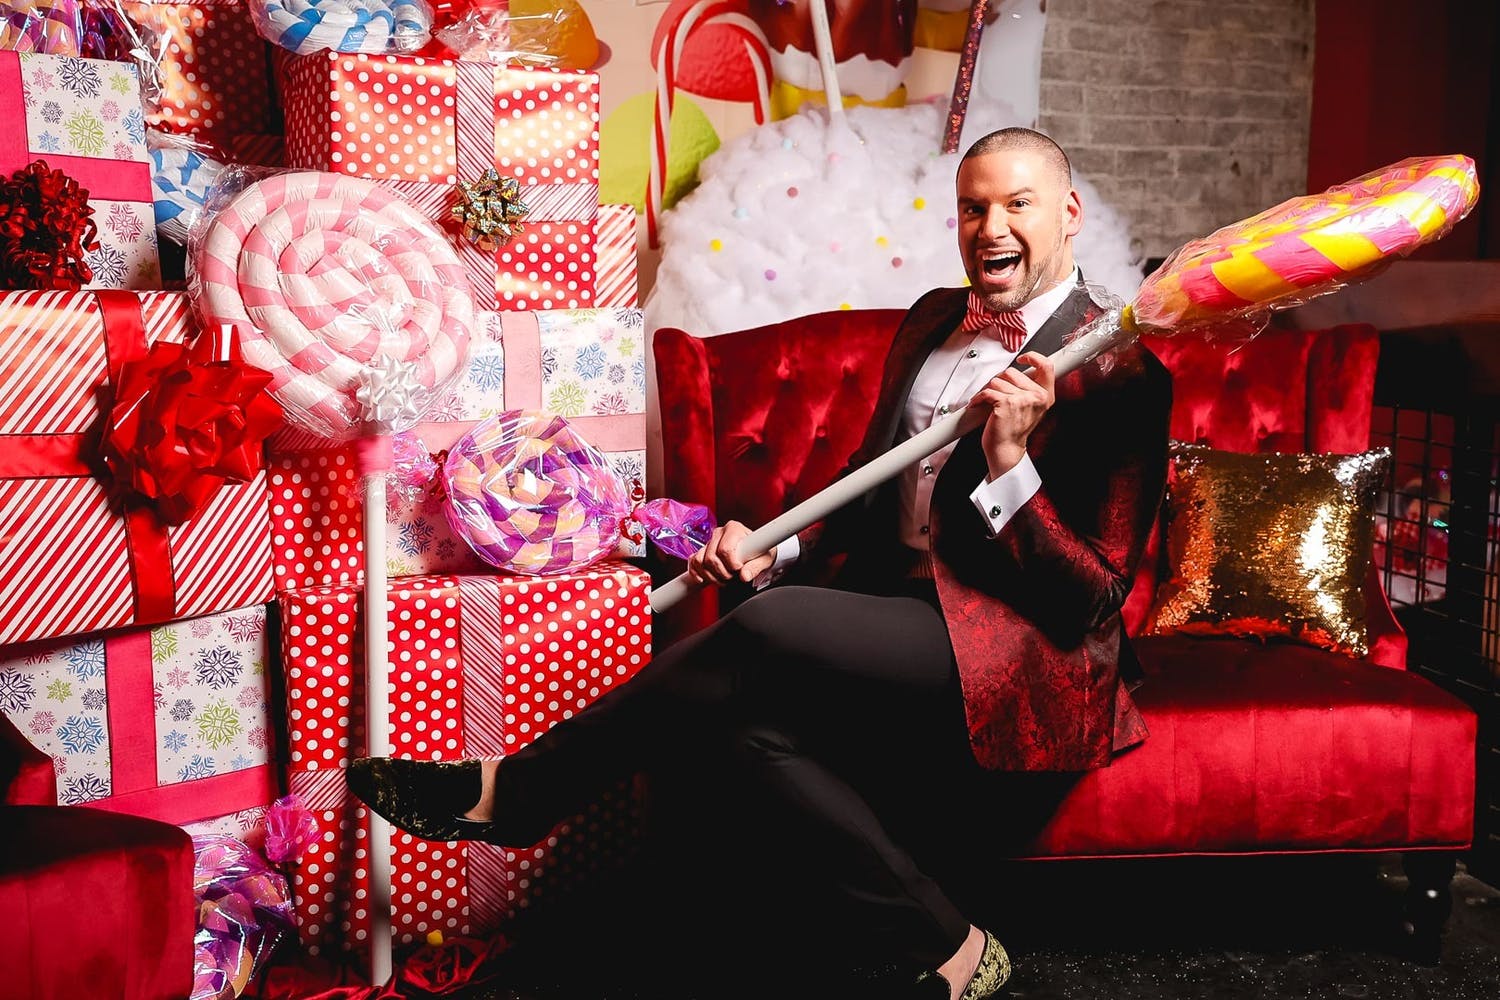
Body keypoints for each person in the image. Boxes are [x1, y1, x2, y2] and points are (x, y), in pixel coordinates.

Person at [347, 127, 1173, 1000]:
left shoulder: (1120, 370)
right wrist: (774, 545)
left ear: (1069, 213)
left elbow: (1091, 600)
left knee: (768, 626)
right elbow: (869, 476)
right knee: (735, 733)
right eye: (974, 207)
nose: (990, 225)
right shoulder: (935, 316)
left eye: (1018, 204)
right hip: (895, 616)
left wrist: (1012, 466)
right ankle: (959, 950)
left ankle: (519, 791)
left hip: (1020, 656)